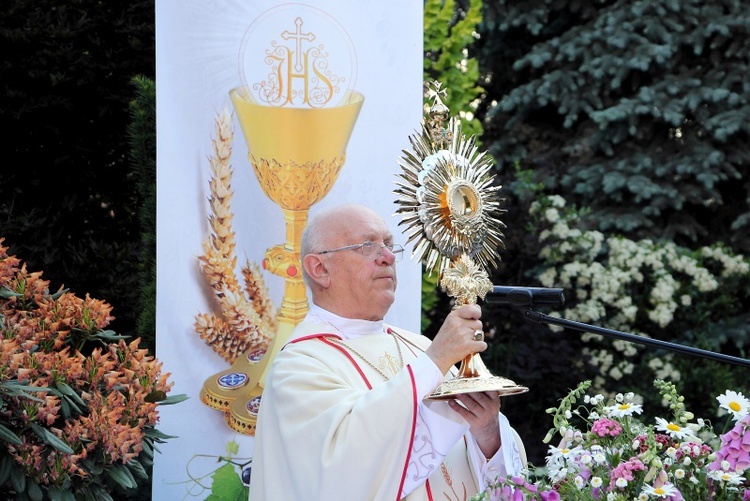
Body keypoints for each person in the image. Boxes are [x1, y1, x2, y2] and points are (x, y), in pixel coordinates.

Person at [249, 204, 525, 500]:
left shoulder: (418, 346)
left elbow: (495, 463)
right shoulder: (300, 365)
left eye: (389, 245)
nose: (389, 257)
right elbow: (342, 471)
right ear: (320, 269)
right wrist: (437, 359)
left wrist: (487, 433)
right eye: (367, 246)